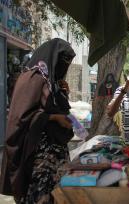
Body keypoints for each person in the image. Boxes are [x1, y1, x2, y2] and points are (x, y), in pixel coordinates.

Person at [0, 38, 76, 203]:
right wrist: (54, 117)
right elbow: (21, 117)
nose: (66, 65)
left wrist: (64, 95)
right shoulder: (33, 76)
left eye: (70, 61)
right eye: (64, 60)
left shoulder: (54, 83)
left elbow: (70, 119)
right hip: (38, 156)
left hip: (58, 156)